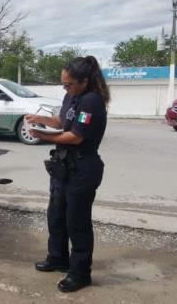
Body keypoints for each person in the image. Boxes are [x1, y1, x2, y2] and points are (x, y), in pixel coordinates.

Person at [24, 56, 109, 293]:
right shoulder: (72, 96)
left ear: (84, 81)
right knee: (56, 215)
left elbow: (76, 136)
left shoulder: (92, 101)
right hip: (64, 166)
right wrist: (40, 120)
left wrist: (44, 137)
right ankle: (58, 258)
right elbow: (62, 121)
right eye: (64, 85)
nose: (65, 88)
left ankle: (81, 273)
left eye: (69, 84)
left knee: (77, 223)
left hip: (83, 168)